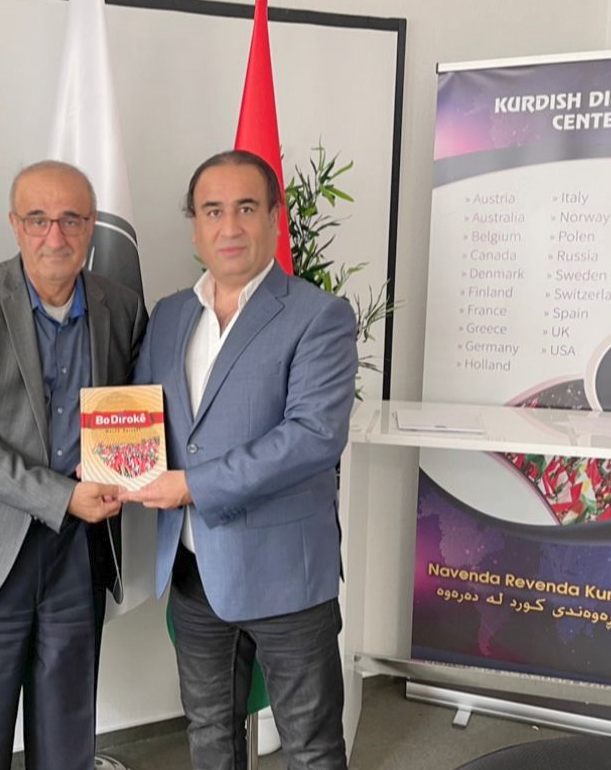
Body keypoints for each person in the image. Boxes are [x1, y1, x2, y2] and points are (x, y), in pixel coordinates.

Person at [123, 149, 358, 769]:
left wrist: (193, 486)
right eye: (213, 211)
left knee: (311, 746)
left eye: (246, 208)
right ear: (195, 227)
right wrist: (108, 467)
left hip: (286, 576)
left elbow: (312, 436)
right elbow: (142, 416)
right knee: (209, 735)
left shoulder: (319, 316)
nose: (229, 226)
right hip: (195, 572)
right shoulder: (170, 315)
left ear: (274, 219)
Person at [0, 160, 148, 770]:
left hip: (78, 551)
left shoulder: (122, 307)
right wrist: (60, 495)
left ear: (91, 225)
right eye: (38, 219)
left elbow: (134, 416)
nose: (55, 236)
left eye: (71, 219)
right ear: (15, 224)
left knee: (68, 742)